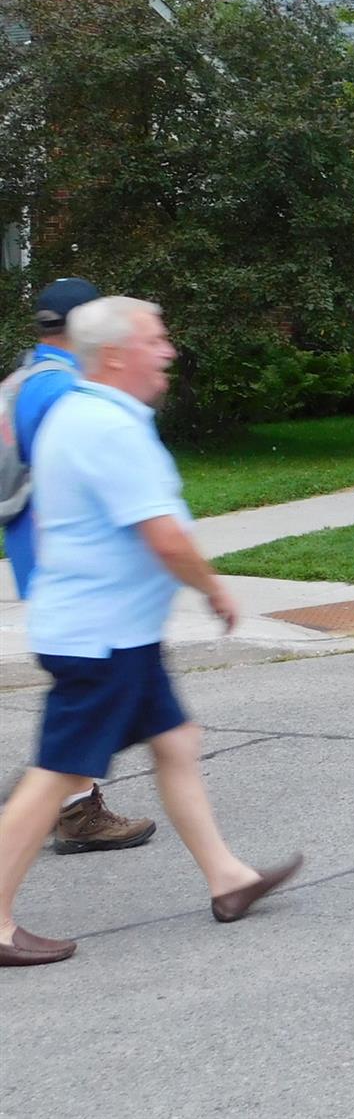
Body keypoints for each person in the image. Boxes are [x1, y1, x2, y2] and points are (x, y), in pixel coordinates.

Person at [0, 297, 303, 967]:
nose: (168, 350)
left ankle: (228, 878)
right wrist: (214, 587)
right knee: (56, 774)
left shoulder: (89, 414)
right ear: (115, 355)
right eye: (155, 339)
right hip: (98, 636)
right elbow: (163, 534)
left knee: (175, 740)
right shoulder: (107, 426)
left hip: (116, 631)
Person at [1, 278, 154, 855]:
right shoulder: (64, 389)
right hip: (72, 563)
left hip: (38, 553)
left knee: (93, 688)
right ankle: (62, 802)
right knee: (90, 688)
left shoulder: (24, 379)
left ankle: (57, 792)